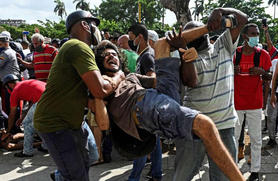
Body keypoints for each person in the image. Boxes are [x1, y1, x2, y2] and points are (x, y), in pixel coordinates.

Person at [92, 40, 245, 181]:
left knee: (161, 44)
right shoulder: (102, 85)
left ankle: (206, 28)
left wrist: (185, 59)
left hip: (159, 96)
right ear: (99, 62)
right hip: (143, 106)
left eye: (114, 53)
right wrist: (103, 90)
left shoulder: (130, 77)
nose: (111, 56)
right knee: (205, 125)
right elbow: (104, 125)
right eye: (106, 55)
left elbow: (157, 80)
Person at [33, 10, 124, 181]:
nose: (97, 30)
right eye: (94, 25)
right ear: (85, 25)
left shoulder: (79, 48)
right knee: (77, 176)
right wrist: (119, 75)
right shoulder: (77, 46)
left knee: (90, 157)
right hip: (56, 125)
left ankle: (62, 175)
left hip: (73, 122)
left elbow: (89, 95)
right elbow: (100, 89)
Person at [173, 7, 248, 181]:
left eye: (196, 32)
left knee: (222, 177)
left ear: (206, 32)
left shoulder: (223, 44)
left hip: (224, 126)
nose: (193, 37)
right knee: (182, 176)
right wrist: (184, 52)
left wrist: (219, 10)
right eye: (188, 35)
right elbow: (189, 81)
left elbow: (243, 19)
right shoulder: (188, 57)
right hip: (195, 126)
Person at [234, 23, 272, 180]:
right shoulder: (234, 54)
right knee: (234, 138)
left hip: (255, 104)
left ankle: (255, 171)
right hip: (236, 104)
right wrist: (231, 70)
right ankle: (233, 168)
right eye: (253, 34)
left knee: (256, 139)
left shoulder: (263, 54)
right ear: (245, 36)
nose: (256, 36)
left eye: (257, 33)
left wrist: (262, 72)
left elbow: (270, 76)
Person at [127, 24, 161, 181]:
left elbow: (153, 80)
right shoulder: (143, 55)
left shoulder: (147, 56)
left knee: (141, 142)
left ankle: (134, 178)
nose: (130, 41)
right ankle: (156, 174)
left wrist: (134, 78)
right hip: (147, 104)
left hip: (146, 105)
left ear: (140, 37)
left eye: (131, 37)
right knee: (153, 142)